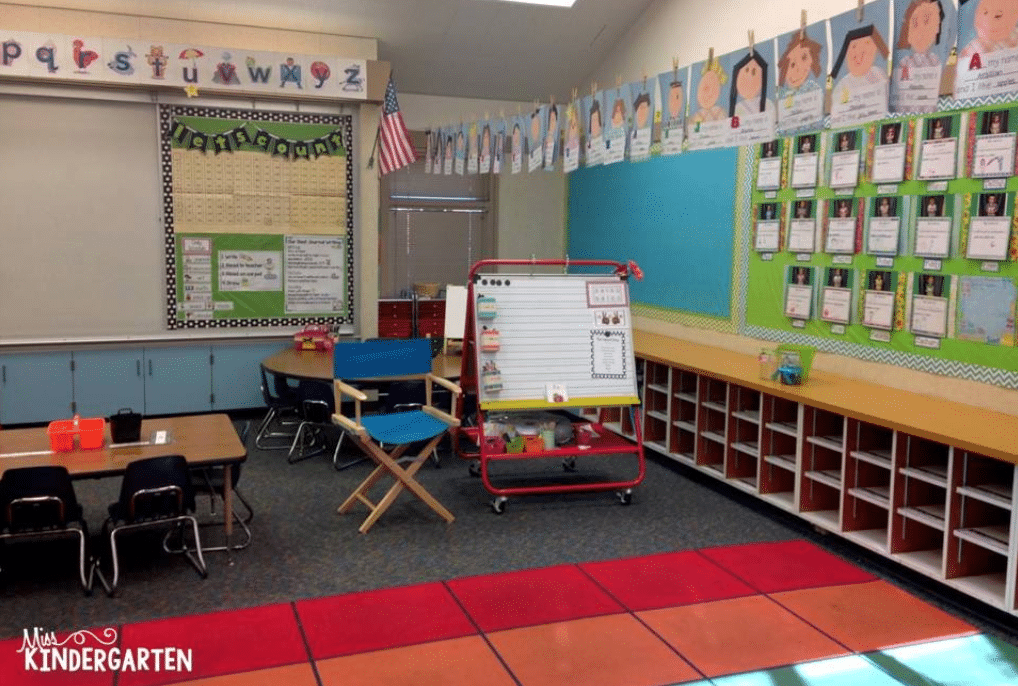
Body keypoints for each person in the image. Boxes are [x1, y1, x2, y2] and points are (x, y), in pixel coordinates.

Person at [831, 25, 890, 103]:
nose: (858, 52)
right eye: (854, 46)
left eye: (867, 43)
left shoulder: (879, 74)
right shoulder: (842, 86)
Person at [778, 31, 823, 99]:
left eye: (804, 58)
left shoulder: (811, 87)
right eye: (792, 65)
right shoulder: (785, 96)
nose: (798, 69)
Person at [729, 51, 771, 117]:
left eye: (754, 72)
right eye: (746, 70)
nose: (749, 78)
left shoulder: (768, 104)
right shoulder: (737, 108)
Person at [690, 59, 728, 124]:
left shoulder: (720, 112)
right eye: (705, 88)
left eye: (713, 87)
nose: (709, 92)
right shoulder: (698, 114)